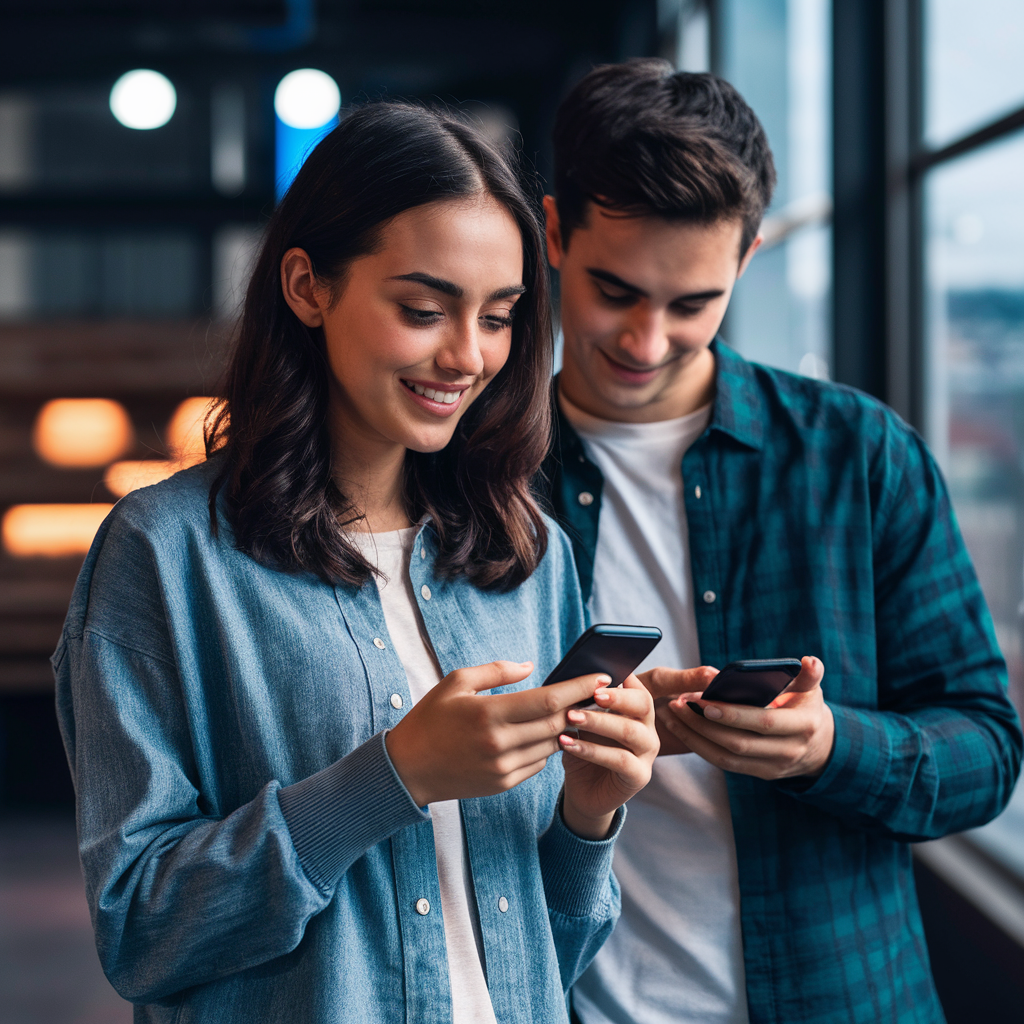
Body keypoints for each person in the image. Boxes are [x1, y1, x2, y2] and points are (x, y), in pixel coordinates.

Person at [54, 101, 660, 1024]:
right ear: (308, 286)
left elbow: (554, 960)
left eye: (498, 317)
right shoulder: (165, 555)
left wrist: (589, 811)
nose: (467, 356)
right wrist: (392, 776)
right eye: (424, 310)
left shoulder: (528, 556)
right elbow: (140, 929)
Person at [535, 60, 1023, 1024]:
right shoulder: (479, 473)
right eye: (615, 291)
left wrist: (829, 745)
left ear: (748, 258)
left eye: (691, 305)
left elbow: (989, 751)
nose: (645, 339)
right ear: (553, 233)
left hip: (840, 998)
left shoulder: (860, 455)